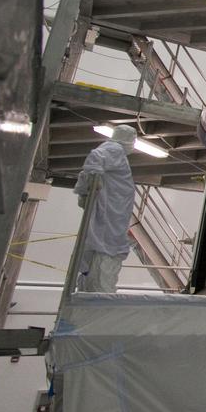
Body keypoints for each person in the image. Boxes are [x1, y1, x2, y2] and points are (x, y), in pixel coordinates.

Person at [72, 125, 137, 293]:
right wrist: (93, 180)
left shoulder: (116, 152)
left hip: (113, 213)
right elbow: (95, 159)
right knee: (106, 255)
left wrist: (87, 188)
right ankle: (99, 294)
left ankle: (90, 289)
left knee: (102, 253)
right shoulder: (115, 149)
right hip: (110, 216)